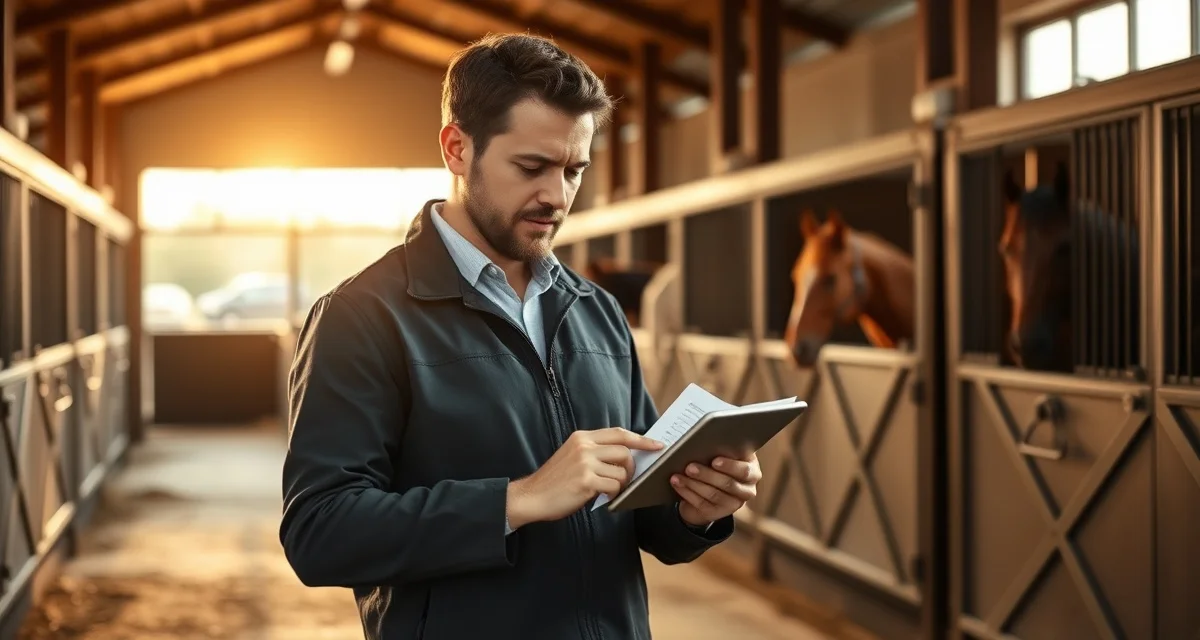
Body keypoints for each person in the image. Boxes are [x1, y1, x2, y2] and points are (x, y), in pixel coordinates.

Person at [279, 32, 762, 640]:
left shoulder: (598, 311)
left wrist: (698, 508)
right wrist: (517, 499)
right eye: (531, 167)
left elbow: (640, 515)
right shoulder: (362, 316)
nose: (556, 197)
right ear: (458, 148)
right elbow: (320, 533)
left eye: (574, 170)